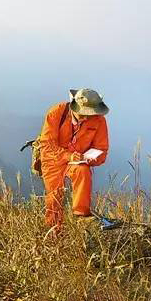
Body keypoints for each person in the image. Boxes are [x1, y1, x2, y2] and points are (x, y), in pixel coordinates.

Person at [40, 88, 109, 231]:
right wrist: (68, 156)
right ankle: (53, 232)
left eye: (90, 114)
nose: (87, 117)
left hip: (78, 161)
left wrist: (91, 159)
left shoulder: (99, 120)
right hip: (53, 160)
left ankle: (81, 216)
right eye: (84, 113)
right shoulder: (56, 112)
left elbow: (102, 149)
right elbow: (47, 145)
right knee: (54, 198)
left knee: (83, 171)